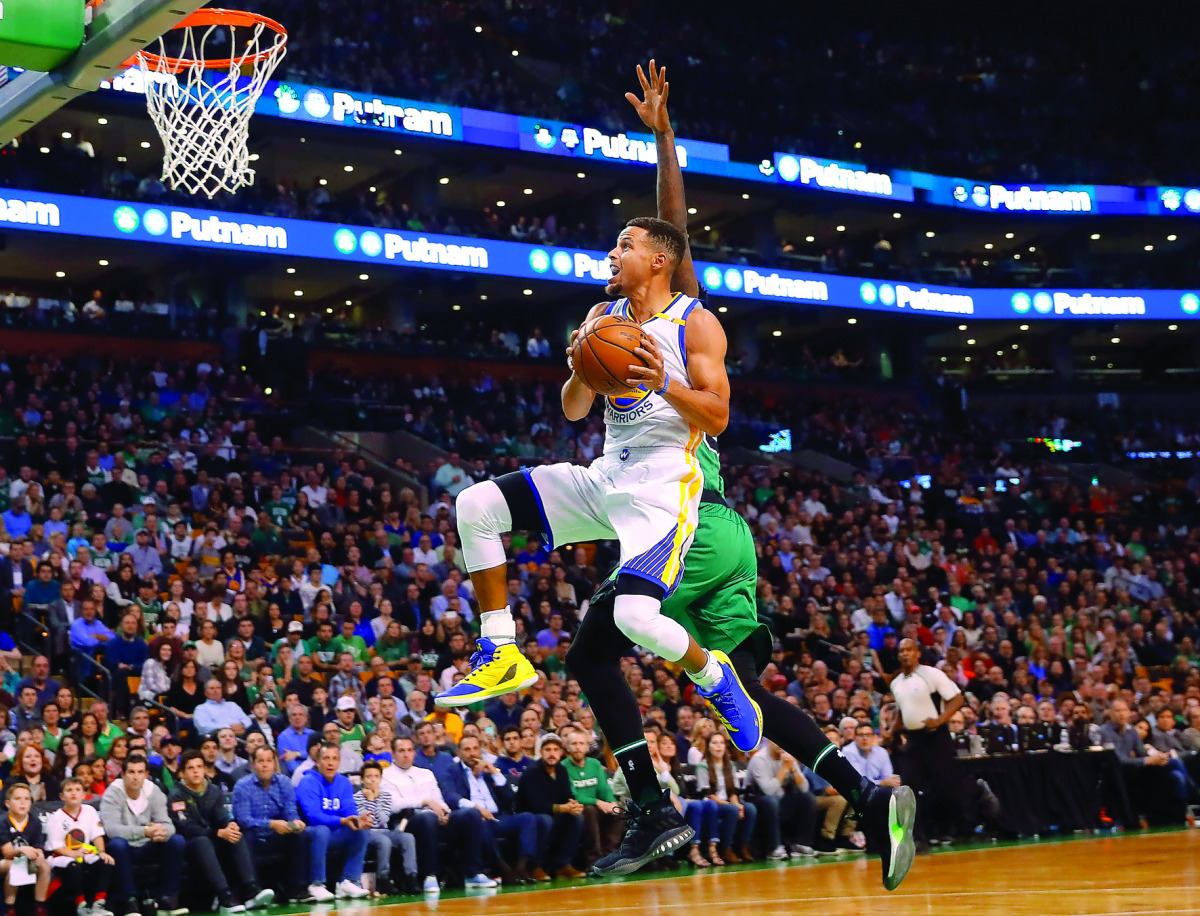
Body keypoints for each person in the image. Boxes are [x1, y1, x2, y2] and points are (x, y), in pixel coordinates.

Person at [439, 75, 762, 773]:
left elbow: (719, 416)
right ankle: (500, 648)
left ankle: (717, 678)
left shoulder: (694, 321)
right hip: (606, 473)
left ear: (659, 261)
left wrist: (662, 381)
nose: (612, 254)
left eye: (624, 244)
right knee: (476, 505)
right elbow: (572, 409)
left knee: (633, 618)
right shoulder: (601, 318)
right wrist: (583, 369)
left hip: (663, 490)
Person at [879, 638, 966, 846]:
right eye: (901, 651)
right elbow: (903, 710)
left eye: (909, 650)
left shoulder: (931, 674)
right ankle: (917, 837)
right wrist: (891, 731)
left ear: (918, 653)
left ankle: (951, 830)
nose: (905, 654)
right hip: (913, 739)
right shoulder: (896, 682)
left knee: (944, 785)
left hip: (936, 736)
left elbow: (957, 699)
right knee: (908, 785)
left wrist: (940, 720)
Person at [167, 750, 274, 914]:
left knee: (236, 835)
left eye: (199, 767)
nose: (196, 771)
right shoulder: (176, 795)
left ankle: (251, 889)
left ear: (205, 769)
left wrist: (230, 825)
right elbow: (187, 828)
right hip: (190, 845)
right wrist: (218, 833)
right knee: (202, 841)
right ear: (182, 772)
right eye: (191, 768)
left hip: (213, 838)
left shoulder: (213, 790)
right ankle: (225, 895)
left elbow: (221, 816)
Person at [378, 736, 482, 896]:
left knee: (471, 814)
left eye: (409, 750)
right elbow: (393, 804)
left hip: (435, 818)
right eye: (401, 751)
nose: (406, 754)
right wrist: (425, 802)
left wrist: (444, 812)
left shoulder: (426, 773)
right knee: (427, 818)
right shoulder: (385, 775)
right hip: (406, 822)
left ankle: (472, 874)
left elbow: (439, 800)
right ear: (393, 754)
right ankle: (430, 875)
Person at [98, 755, 187, 916]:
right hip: (125, 849)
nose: (136, 777)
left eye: (140, 772)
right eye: (131, 772)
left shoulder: (154, 791)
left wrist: (162, 832)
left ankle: (168, 898)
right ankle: (130, 901)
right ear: (123, 774)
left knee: (177, 841)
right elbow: (112, 830)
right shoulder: (113, 793)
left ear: (146, 774)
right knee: (117, 844)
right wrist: (145, 831)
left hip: (148, 846)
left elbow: (168, 825)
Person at [449, 735, 539, 884]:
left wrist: (494, 772)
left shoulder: (487, 770)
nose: (472, 753)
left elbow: (510, 796)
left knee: (528, 818)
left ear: (480, 751)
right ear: (459, 753)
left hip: (497, 817)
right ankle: (504, 869)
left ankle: (521, 867)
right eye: (467, 749)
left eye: (475, 749)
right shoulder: (453, 770)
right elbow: (450, 795)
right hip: (474, 819)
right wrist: (476, 808)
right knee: (479, 821)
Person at [229, 747, 310, 906]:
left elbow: (290, 811)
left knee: (300, 835)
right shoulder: (242, 786)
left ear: (275, 763)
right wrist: (271, 824)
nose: (265, 765)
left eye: (269, 761)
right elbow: (243, 819)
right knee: (244, 835)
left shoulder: (284, 782)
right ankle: (253, 891)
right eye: (261, 761)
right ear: (253, 764)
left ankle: (296, 888)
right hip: (254, 836)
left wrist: (295, 822)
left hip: (277, 836)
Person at [294, 742, 370, 901]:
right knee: (322, 830)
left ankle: (349, 881)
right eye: (326, 758)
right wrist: (342, 821)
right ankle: (317, 884)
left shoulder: (343, 782)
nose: (330, 763)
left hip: (334, 832)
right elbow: (313, 816)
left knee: (361, 831)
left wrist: (356, 819)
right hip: (309, 833)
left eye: (334, 759)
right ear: (318, 762)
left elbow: (349, 808)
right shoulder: (308, 781)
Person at [515, 734, 586, 880]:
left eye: (555, 750)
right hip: (531, 816)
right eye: (547, 750)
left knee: (577, 818)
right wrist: (562, 808)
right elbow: (535, 805)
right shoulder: (531, 772)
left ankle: (563, 864)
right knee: (545, 820)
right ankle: (535, 866)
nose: (552, 753)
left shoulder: (562, 770)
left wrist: (574, 805)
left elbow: (567, 794)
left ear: (561, 752)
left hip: (554, 813)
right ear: (541, 752)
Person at [44, 778, 115, 916]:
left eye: (77, 790)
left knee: (106, 863)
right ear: (62, 796)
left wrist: (101, 852)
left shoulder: (90, 811)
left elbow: (97, 835)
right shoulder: (56, 817)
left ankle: (99, 904)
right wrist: (73, 854)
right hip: (62, 855)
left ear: (83, 794)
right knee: (74, 866)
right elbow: (55, 846)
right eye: (69, 790)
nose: (73, 793)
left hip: (84, 853)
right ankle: (81, 905)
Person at [353, 761, 417, 896]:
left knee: (407, 837)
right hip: (367, 833)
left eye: (376, 776)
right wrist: (371, 800)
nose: (373, 780)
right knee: (383, 841)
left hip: (385, 830)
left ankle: (411, 877)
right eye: (369, 776)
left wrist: (374, 801)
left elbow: (383, 820)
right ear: (362, 780)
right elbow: (367, 821)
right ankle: (383, 879)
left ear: (381, 779)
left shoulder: (386, 796)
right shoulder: (356, 797)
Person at [562, 729, 619, 867]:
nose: (578, 747)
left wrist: (612, 802)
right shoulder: (562, 767)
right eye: (574, 744)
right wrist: (597, 802)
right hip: (575, 810)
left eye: (581, 743)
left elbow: (604, 789)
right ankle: (594, 860)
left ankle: (609, 856)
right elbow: (572, 795)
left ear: (587, 747)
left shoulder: (595, 764)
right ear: (568, 747)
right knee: (589, 810)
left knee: (620, 810)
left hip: (596, 807)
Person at [1, 784, 52, 916]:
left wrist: (39, 855)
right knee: (14, 865)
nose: (23, 802)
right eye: (18, 799)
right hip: (4, 861)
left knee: (44, 865)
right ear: (8, 803)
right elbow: (7, 853)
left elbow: (38, 847)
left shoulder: (35, 822)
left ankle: (40, 907)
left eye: (27, 799)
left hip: (25, 860)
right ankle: (10, 908)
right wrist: (22, 849)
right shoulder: (2, 822)